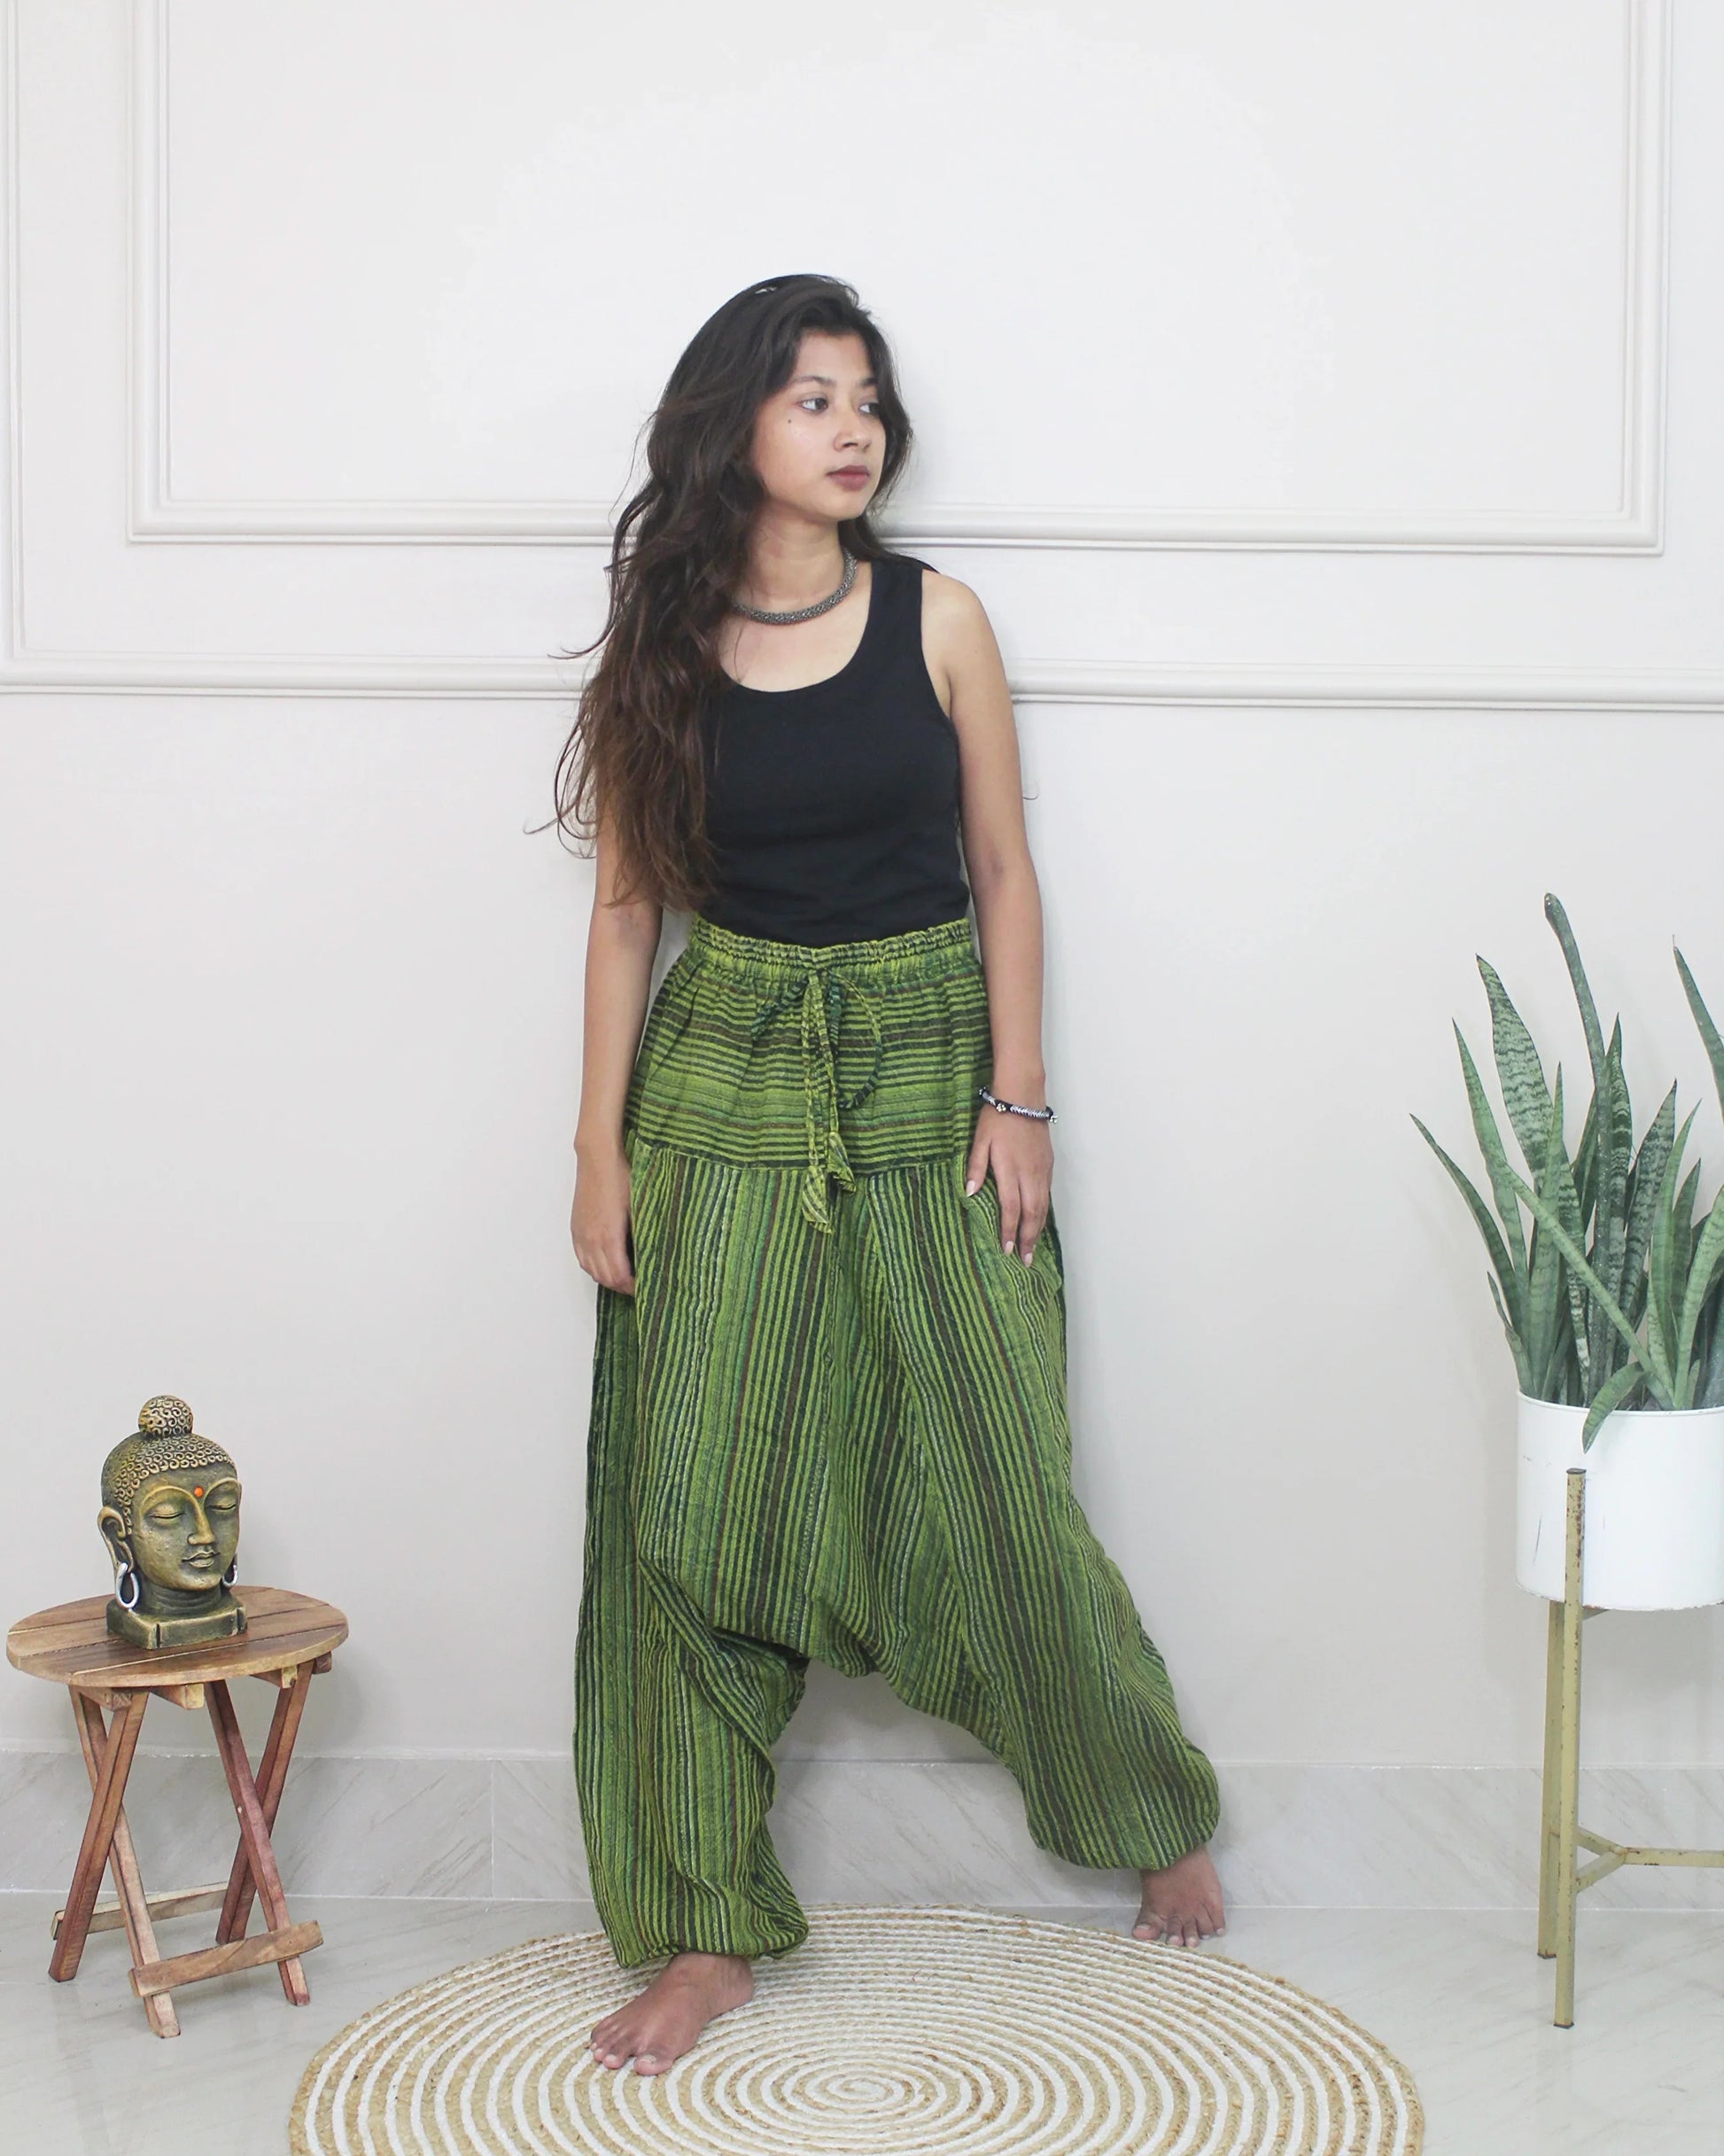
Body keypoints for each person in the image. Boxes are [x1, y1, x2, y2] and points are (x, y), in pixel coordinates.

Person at [556, 273, 1224, 2080]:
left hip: (937, 1069)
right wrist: (595, 1145)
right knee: (685, 1509)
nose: (851, 428)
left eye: (868, 399)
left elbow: (1002, 869)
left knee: (992, 1465)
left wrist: (1021, 1101)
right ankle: (704, 1926)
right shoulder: (661, 642)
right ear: (734, 427)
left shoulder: (938, 616)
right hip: (727, 1080)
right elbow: (629, 913)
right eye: (810, 398)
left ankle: (1143, 1799)